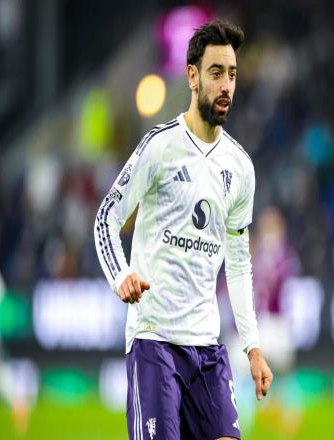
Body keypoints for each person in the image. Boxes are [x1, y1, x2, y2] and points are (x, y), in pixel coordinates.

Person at [94, 20, 273, 440]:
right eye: (216, 73)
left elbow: (239, 263)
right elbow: (106, 218)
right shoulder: (160, 147)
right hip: (154, 342)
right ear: (192, 77)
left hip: (207, 348)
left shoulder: (240, 168)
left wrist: (252, 347)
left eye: (232, 74)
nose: (226, 85)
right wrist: (121, 275)